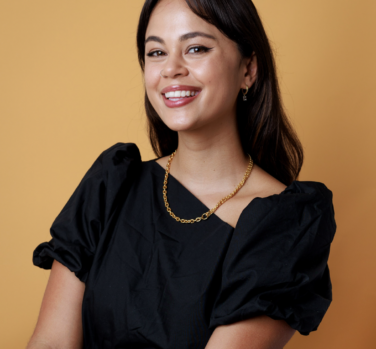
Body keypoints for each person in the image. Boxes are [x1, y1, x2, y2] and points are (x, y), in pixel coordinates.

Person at [26, 0, 337, 348]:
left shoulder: (286, 225)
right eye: (156, 52)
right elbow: (51, 341)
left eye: (196, 48)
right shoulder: (111, 187)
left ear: (248, 69)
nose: (170, 69)